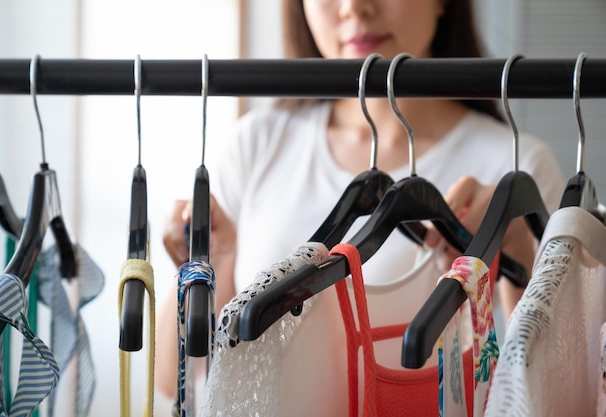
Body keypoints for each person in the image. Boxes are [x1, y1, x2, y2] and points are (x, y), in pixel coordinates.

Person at [155, 0, 565, 400]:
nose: (354, 6)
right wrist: (202, 264)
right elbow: (178, 382)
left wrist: (517, 257)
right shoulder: (255, 145)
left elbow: (552, 394)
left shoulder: (515, 165)